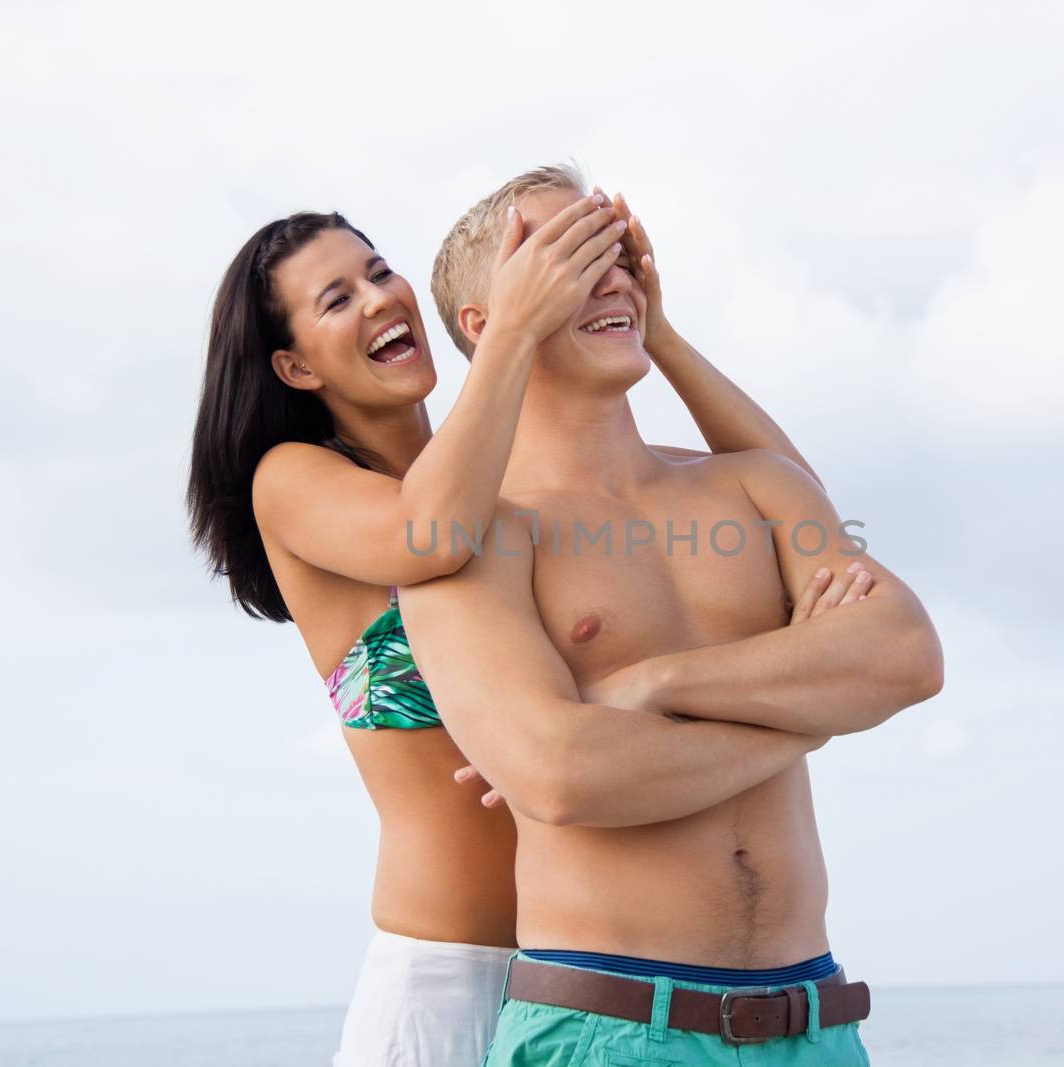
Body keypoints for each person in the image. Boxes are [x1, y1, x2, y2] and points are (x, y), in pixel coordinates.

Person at [186, 182, 852, 1066]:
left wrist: (653, 330)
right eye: (338, 298)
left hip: (594, 962)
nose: (382, 297)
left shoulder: (503, 487)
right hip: (449, 973)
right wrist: (810, 720)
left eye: (379, 271)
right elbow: (428, 534)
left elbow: (804, 521)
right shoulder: (296, 479)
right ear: (297, 367)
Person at [401, 165, 945, 1065]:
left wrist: (655, 683)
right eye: (568, 256)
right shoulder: (471, 537)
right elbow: (561, 774)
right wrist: (815, 713)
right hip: (610, 1024)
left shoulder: (753, 483)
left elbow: (906, 655)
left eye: (613, 247)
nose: (611, 272)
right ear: (487, 320)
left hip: (818, 1022)